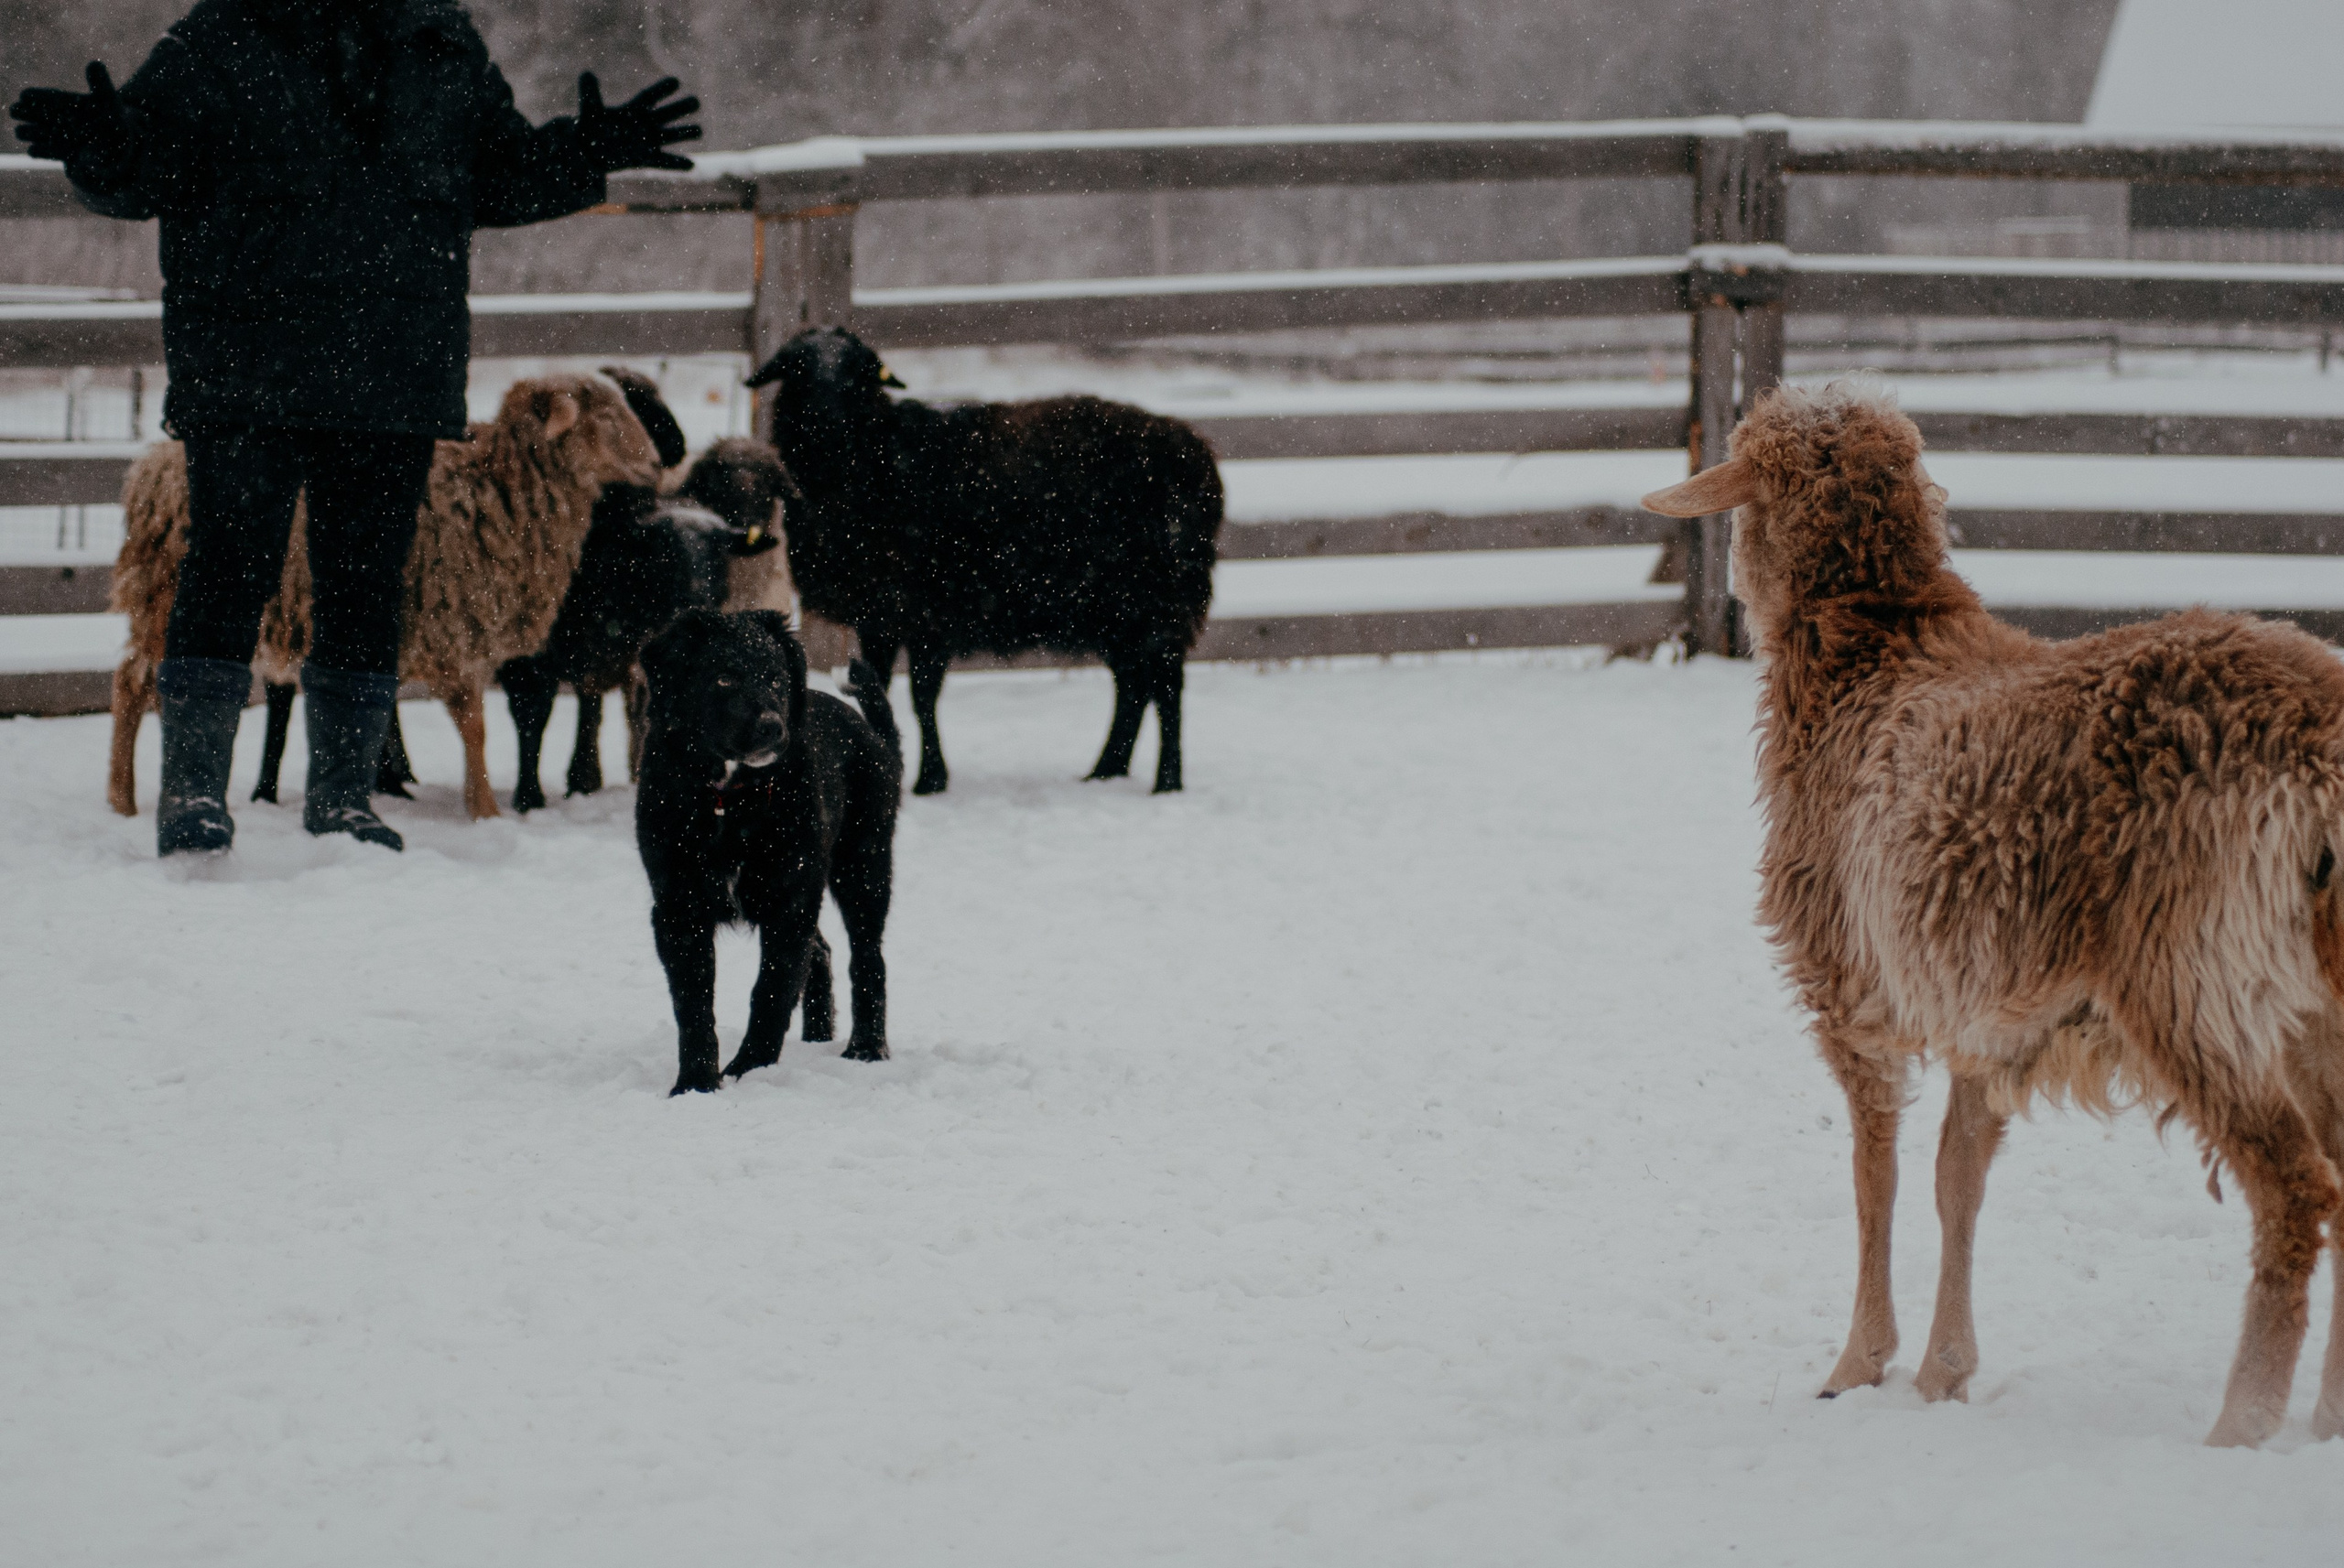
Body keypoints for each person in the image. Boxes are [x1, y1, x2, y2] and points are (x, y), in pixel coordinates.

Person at [9, 1, 700, 855]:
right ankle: (192, 795)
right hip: (248, 364)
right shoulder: (222, 38)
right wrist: (101, 148)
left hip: (392, 367)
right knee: (227, 567)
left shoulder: (439, 44)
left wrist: (585, 151)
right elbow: (143, 169)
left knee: (365, 583)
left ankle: (342, 799)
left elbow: (501, 173)